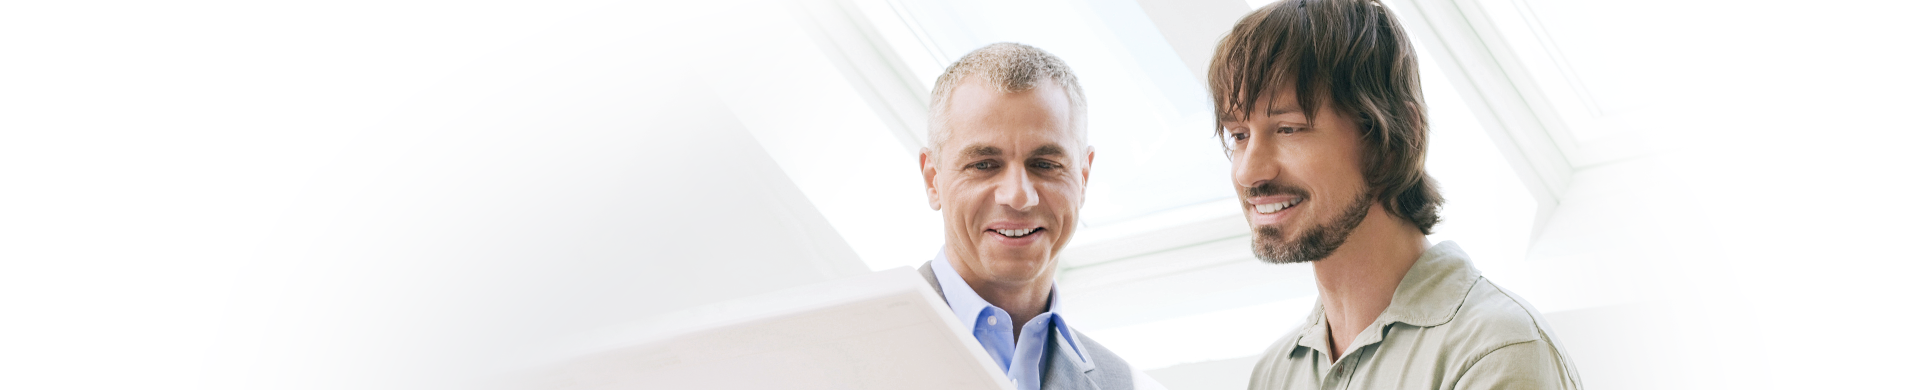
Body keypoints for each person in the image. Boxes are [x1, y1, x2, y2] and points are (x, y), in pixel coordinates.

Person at [1205, 1, 1581, 389]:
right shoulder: (1275, 374)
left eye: (1288, 129)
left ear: (1392, 139)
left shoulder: (1495, 351)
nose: (1249, 171)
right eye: (1239, 135)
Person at [915, 42, 1155, 390]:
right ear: (932, 179)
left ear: (1083, 178)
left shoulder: (1128, 385)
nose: (1018, 196)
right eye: (984, 165)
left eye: (1045, 165)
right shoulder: (841, 346)